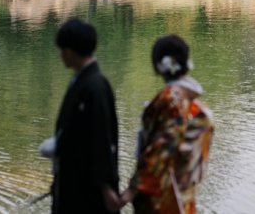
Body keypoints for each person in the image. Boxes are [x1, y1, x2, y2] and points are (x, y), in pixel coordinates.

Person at [120, 35, 214, 214]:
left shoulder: (171, 100)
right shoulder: (195, 103)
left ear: (158, 64)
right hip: (184, 192)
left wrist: (131, 191)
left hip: (163, 195)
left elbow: (163, 148)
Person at [45, 18, 121, 213]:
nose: (60, 55)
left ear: (69, 51)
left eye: (61, 50)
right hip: (72, 179)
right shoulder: (81, 80)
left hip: (88, 188)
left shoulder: (96, 86)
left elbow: (102, 139)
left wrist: (106, 187)